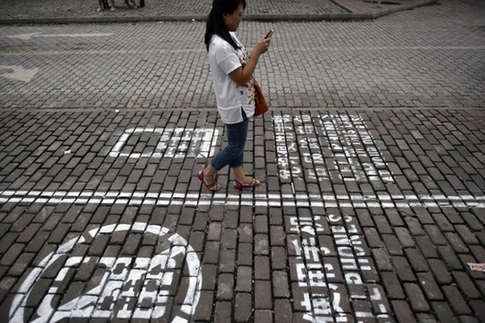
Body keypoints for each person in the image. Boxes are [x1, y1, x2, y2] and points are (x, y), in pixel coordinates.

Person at [198, 0, 271, 191]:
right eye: (238, 13)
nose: (241, 18)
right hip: (234, 103)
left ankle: (239, 177)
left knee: (236, 142)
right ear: (225, 14)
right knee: (235, 147)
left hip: (239, 101)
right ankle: (208, 172)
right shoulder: (220, 45)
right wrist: (256, 53)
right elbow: (240, 77)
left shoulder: (228, 36)